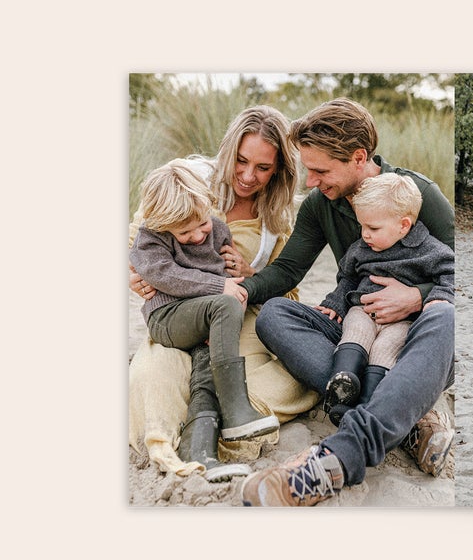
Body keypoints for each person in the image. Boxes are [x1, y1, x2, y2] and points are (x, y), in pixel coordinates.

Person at [238, 98, 456, 507]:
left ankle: (342, 454)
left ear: (358, 158)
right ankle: (404, 416)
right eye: (308, 170)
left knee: (445, 316)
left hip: (414, 339)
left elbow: (459, 275)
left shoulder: (419, 195)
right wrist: (242, 289)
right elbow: (288, 270)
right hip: (357, 328)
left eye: (320, 171)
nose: (310, 182)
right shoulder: (321, 205)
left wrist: (416, 297)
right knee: (275, 314)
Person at [129, 106, 318, 481]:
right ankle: (180, 438)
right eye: (241, 161)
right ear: (228, 150)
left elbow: (288, 293)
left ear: (279, 169)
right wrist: (133, 277)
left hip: (235, 322)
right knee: (151, 379)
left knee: (294, 378)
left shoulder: (276, 219)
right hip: (177, 316)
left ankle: (216, 430)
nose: (247, 176)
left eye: (262, 168)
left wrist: (251, 275)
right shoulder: (185, 180)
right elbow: (137, 243)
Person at [130, 162, 280, 444]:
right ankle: (236, 410)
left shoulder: (218, 230)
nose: (198, 236)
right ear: (162, 226)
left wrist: (233, 296)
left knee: (206, 369)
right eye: (185, 233)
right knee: (225, 303)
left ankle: (198, 440)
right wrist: (220, 288)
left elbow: (223, 273)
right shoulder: (150, 237)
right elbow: (165, 275)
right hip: (168, 317)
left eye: (202, 224)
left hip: (204, 317)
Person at [317, 172, 454, 425]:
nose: (365, 234)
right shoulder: (361, 248)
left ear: (403, 225)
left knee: (385, 348)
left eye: (373, 228)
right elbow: (347, 277)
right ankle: (343, 382)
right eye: (362, 226)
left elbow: (450, 273)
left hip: (401, 322)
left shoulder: (429, 250)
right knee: (356, 331)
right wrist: (334, 303)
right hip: (363, 309)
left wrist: (438, 296)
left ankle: (369, 403)